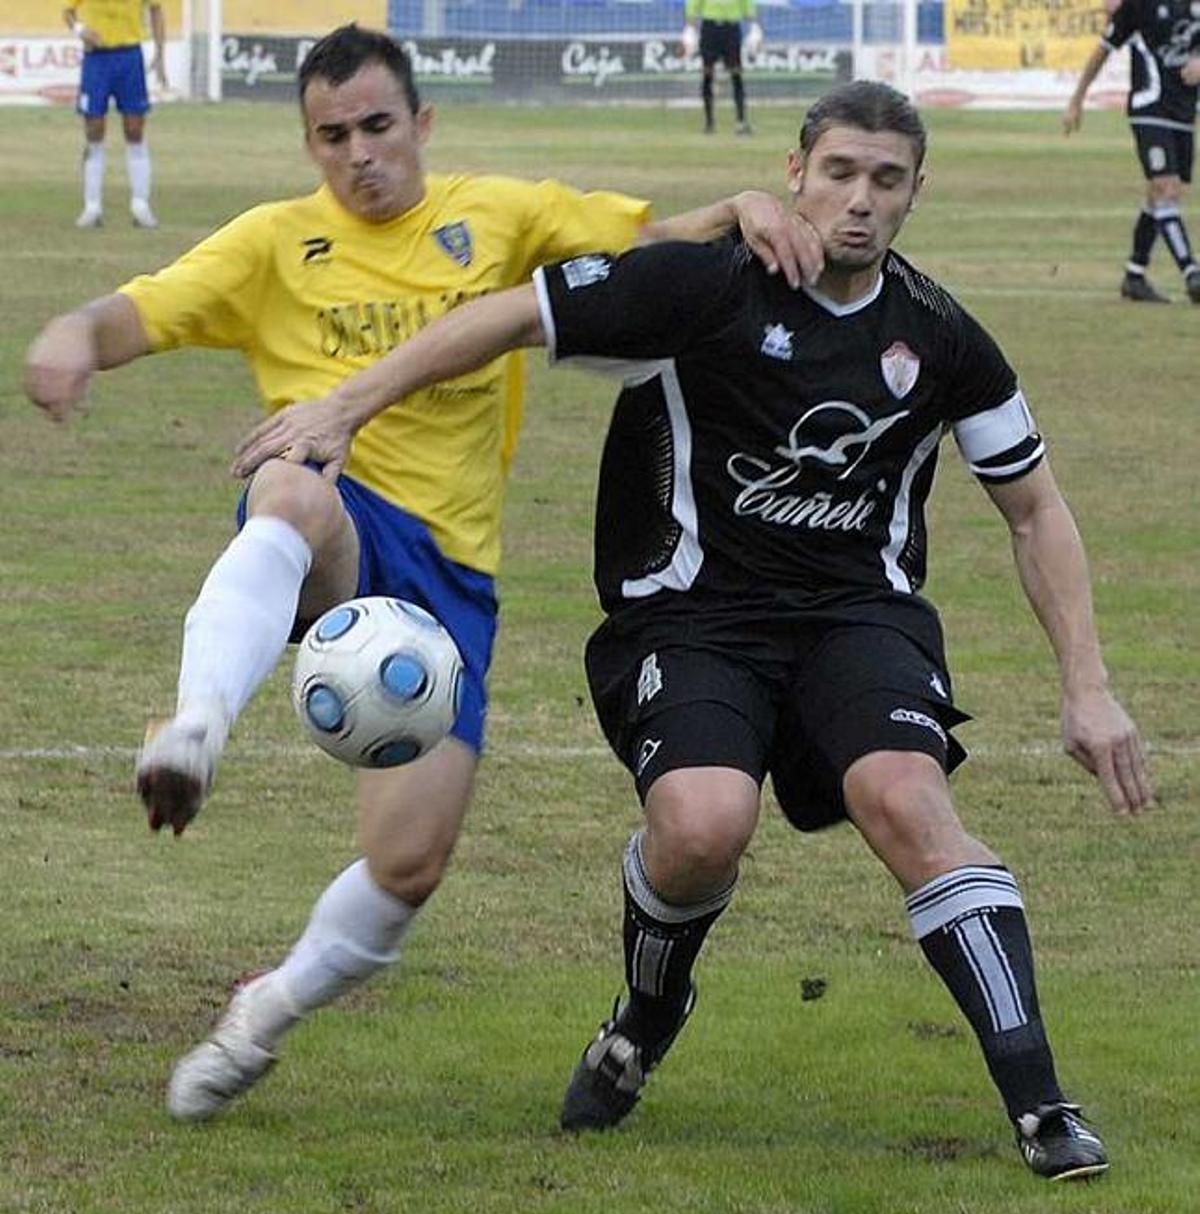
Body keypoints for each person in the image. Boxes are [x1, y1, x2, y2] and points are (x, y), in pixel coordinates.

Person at [240, 80, 1155, 1182]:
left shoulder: (942, 335)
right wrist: (344, 407)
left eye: (886, 180)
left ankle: (1042, 1103)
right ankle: (646, 1014)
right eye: (839, 173)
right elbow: (514, 314)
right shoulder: (705, 284)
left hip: (857, 619)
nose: (859, 200)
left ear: (917, 192)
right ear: (795, 172)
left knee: (908, 799)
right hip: (689, 618)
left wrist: (1086, 683)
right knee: (702, 827)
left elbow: (1036, 508)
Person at [23, 25, 820, 1125]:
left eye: (377, 127)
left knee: (407, 867)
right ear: (309, 144)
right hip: (338, 524)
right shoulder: (273, 244)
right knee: (293, 485)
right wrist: (72, 334)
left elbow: (647, 250)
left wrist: (740, 206)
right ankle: (195, 726)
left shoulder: (499, 215)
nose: (359, 154)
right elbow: (141, 310)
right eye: (332, 136)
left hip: (446, 583)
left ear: (422, 124)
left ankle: (262, 1013)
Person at [1063, 2, 1200, 304]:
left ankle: (1134, 276)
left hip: (1184, 114)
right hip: (1149, 108)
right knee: (1166, 188)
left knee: (1159, 195)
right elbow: (1103, 49)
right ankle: (1191, 272)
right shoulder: (1139, 5)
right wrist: (1077, 99)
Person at [65, 0, 167, 229]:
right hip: (96, 59)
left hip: (129, 56)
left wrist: (160, 53)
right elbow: (68, 12)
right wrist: (80, 30)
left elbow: (156, 10)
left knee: (134, 129)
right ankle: (92, 207)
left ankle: (140, 205)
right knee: (94, 130)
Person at [682, 0, 762, 136]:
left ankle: (741, 122)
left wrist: (754, 25)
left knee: (736, 75)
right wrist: (690, 26)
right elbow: (694, 4)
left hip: (731, 28)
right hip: (710, 27)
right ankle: (709, 123)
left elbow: (747, 4)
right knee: (707, 74)